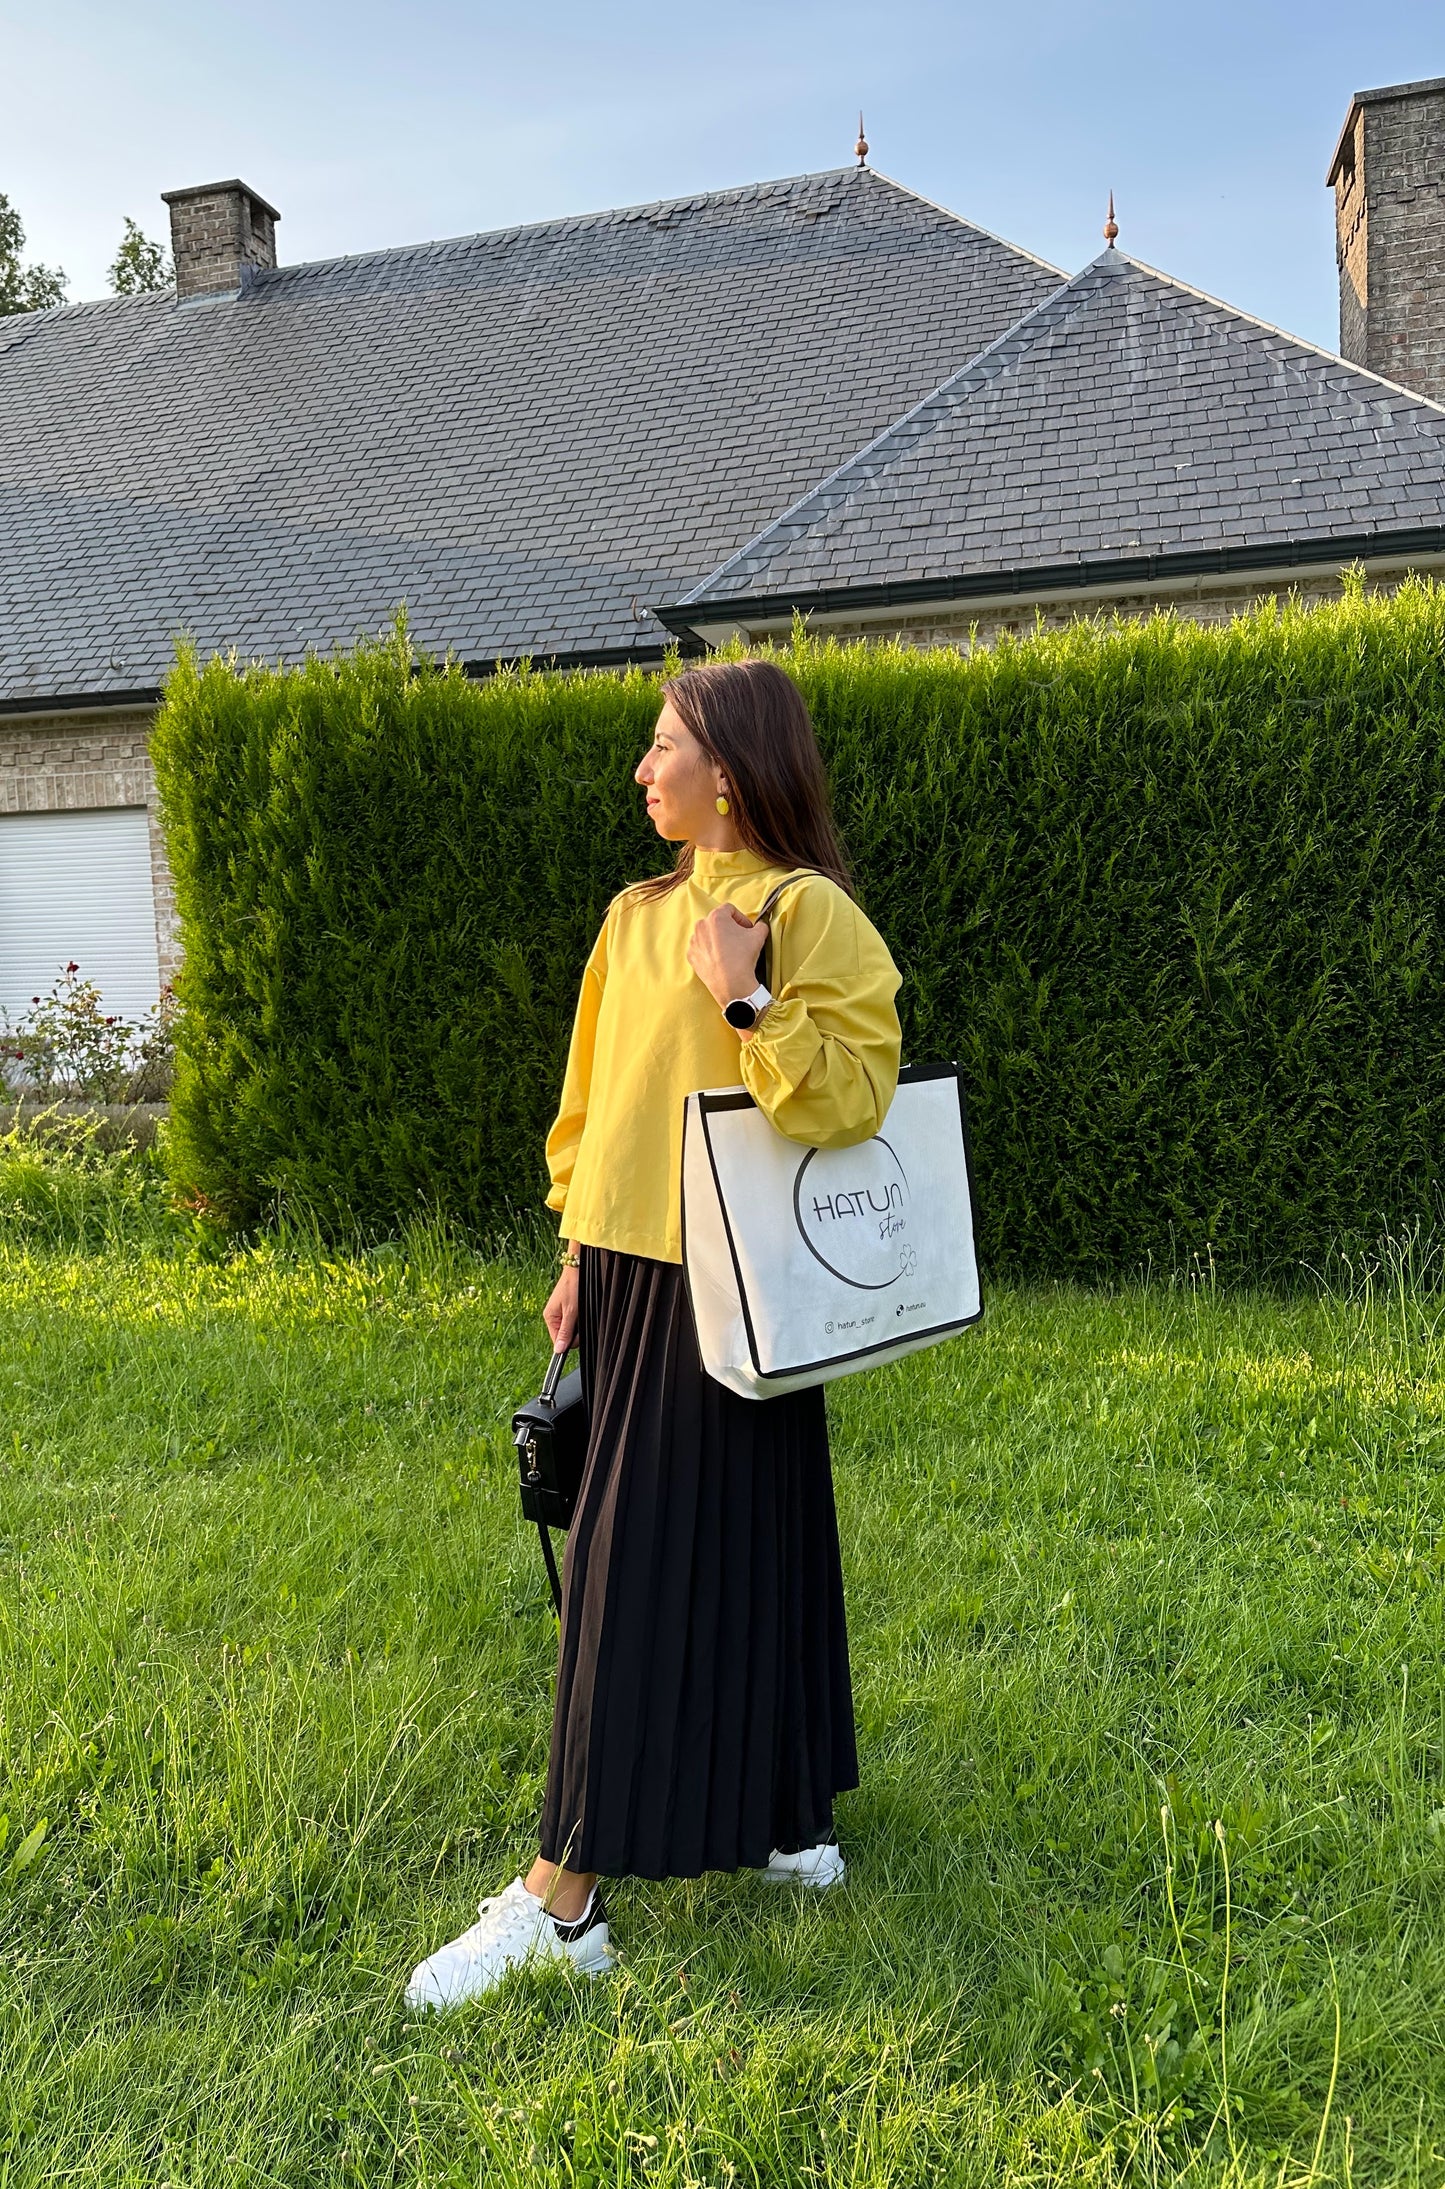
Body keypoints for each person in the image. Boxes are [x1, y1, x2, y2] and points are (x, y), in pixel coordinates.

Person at [407, 658, 902, 2008]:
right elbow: (593, 1104)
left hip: (737, 1281)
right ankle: (788, 1814)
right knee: (748, 1528)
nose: (641, 766)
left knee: (634, 1570)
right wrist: (574, 1244)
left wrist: (744, 994)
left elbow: (853, 1097)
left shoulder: (806, 916)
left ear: (728, 770)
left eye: (661, 743)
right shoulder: (631, 918)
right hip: (629, 1273)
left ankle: (563, 1899)